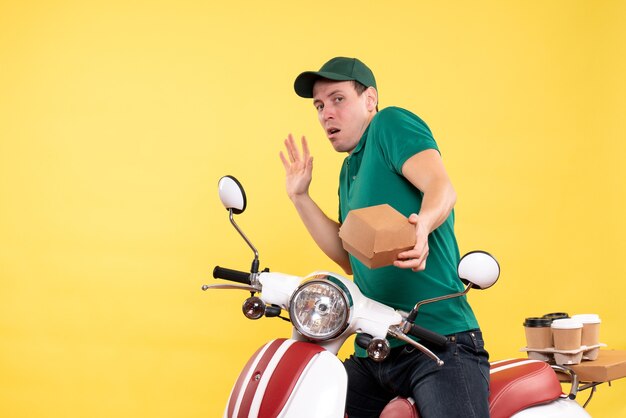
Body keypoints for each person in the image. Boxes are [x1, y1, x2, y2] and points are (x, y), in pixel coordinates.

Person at [280, 57, 489, 418]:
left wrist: (422, 225)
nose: (326, 113)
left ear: (370, 100)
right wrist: (300, 196)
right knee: (307, 403)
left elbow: (441, 186)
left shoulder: (390, 125)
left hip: (437, 345)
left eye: (338, 99)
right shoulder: (349, 171)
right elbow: (351, 257)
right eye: (319, 105)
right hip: (374, 350)